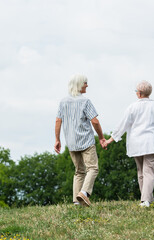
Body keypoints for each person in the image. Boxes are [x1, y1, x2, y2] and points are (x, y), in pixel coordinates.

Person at [106, 80, 154, 207]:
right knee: (148, 171)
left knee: (141, 172)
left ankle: (145, 199)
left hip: (136, 143)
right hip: (152, 143)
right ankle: (146, 200)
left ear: (139, 93)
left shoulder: (132, 107)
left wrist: (110, 139)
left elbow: (122, 125)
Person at [54, 74, 106, 207]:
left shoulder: (63, 102)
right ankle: (84, 193)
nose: (87, 85)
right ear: (79, 84)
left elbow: (58, 121)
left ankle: (76, 202)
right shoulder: (85, 101)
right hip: (86, 141)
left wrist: (57, 139)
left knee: (79, 171)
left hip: (72, 142)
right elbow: (95, 121)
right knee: (93, 168)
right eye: (85, 83)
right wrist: (101, 137)